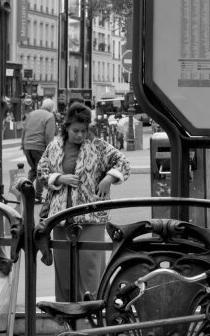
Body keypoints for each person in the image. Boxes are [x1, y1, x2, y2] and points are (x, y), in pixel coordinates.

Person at [37, 102, 129, 302]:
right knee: (64, 266)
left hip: (92, 215)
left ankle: (94, 307)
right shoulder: (54, 147)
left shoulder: (98, 146)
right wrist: (58, 178)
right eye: (75, 130)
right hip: (61, 216)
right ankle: (67, 312)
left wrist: (108, 179)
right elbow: (41, 172)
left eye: (84, 131)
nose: (79, 135)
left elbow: (123, 162)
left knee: (90, 265)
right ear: (66, 128)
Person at [20, 97, 58, 177]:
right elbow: (49, 135)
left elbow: (24, 130)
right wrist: (50, 151)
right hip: (39, 147)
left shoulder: (31, 114)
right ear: (51, 108)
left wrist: (22, 146)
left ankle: (25, 187)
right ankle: (38, 190)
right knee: (41, 171)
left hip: (27, 147)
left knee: (34, 170)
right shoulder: (50, 116)